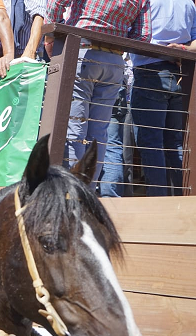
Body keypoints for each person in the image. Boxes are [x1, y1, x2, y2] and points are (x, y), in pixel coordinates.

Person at [46, 0, 150, 185]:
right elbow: (143, 36)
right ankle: (88, 189)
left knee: (75, 127)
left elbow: (57, 3)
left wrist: (53, 33)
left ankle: (72, 188)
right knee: (99, 132)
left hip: (80, 50)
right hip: (114, 61)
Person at [129, 0, 191, 196]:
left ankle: (158, 201)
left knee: (150, 142)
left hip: (149, 71)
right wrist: (182, 50)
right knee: (176, 142)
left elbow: (132, 32)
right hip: (181, 74)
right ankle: (184, 200)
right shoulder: (188, 3)